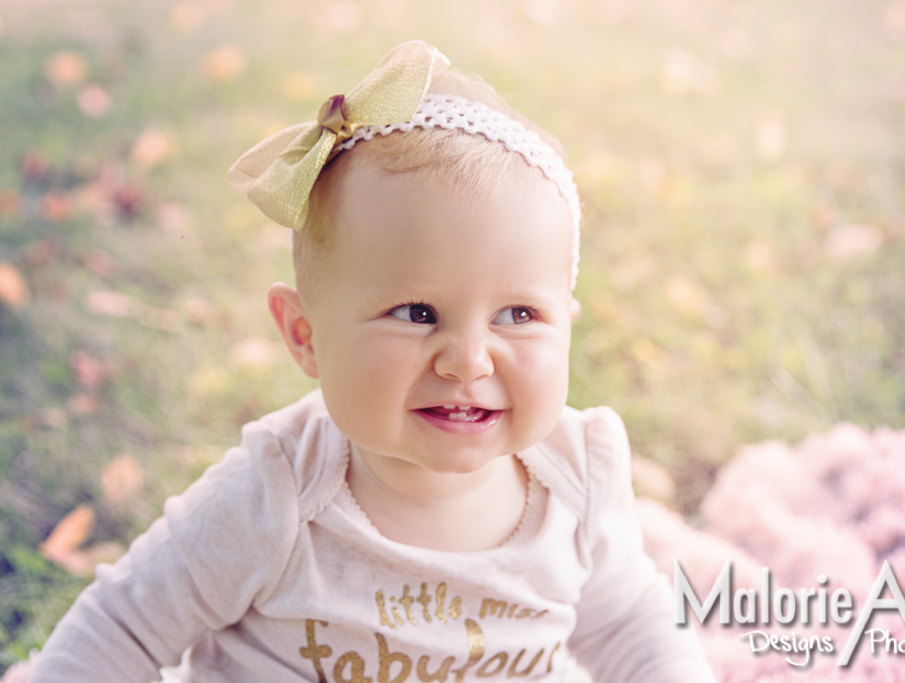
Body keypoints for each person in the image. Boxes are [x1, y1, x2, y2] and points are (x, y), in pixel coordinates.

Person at [28, 41, 715, 683]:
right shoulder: (278, 494)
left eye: (518, 314)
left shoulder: (574, 477)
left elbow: (631, 626)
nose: (467, 359)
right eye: (417, 313)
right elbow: (121, 627)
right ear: (305, 334)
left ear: (566, 325)